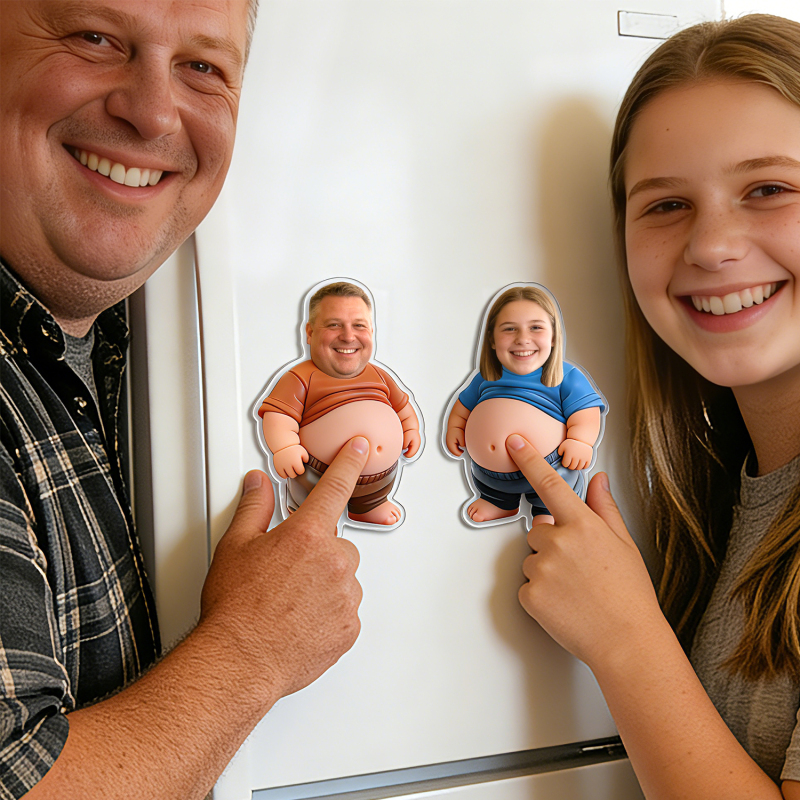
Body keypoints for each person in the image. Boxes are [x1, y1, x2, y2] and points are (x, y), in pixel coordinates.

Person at [0, 2, 365, 798]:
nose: (155, 112)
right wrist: (251, 651)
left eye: (203, 67)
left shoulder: (120, 353)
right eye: (96, 37)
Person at [507, 13, 800, 799]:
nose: (711, 245)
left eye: (769, 189)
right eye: (667, 205)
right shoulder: (722, 496)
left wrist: (625, 639)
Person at [259, 281, 421, 526]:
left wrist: (411, 429)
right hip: (316, 473)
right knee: (311, 507)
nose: (348, 336)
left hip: (379, 479)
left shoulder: (379, 375)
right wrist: (285, 447)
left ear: (372, 332)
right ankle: (309, 518)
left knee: (373, 496)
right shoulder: (301, 377)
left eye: (359, 325)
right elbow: (279, 416)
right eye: (334, 325)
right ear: (310, 333)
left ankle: (368, 507)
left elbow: (402, 407)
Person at [445, 285, 604, 526]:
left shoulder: (566, 375)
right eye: (509, 329)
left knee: (554, 494)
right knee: (490, 487)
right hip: (489, 473)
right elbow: (463, 406)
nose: (523, 339)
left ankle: (548, 512)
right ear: (491, 339)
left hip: (551, 466)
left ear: (553, 336)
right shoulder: (486, 377)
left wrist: (581, 441)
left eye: (536, 328)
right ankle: (500, 503)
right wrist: (455, 428)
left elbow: (586, 411)